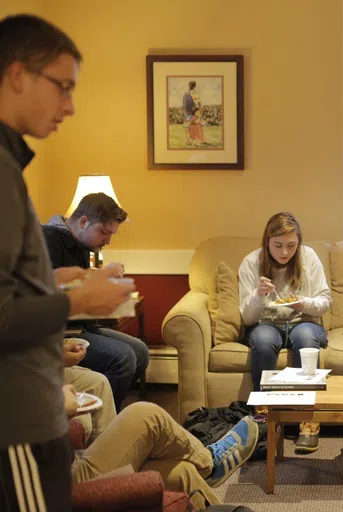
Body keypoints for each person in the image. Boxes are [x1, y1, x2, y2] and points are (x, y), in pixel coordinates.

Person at [0, 13, 135, 511]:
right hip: (16, 420)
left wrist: (54, 278)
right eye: (62, 87)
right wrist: (77, 299)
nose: (70, 106)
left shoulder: (11, 165)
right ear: (17, 75)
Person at [43, 192, 150, 411]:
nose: (108, 241)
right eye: (104, 232)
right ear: (83, 222)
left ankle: (110, 412)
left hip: (78, 326)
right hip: (59, 333)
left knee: (140, 351)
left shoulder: (80, 244)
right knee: (124, 358)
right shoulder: (48, 240)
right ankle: (105, 423)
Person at [66, 394, 259, 510]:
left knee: (181, 472)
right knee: (147, 416)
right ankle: (209, 462)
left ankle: (207, 470)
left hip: (68, 465)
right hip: (59, 490)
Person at [239, 212, 331, 452]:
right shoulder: (252, 262)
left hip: (304, 321)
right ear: (267, 242)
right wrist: (258, 296)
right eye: (278, 245)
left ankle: (307, 419)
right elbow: (247, 318)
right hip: (267, 323)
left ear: (299, 242)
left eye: (291, 245)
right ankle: (264, 416)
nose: (284, 252)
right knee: (263, 339)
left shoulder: (308, 257)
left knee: (306, 338)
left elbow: (325, 300)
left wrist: (304, 303)